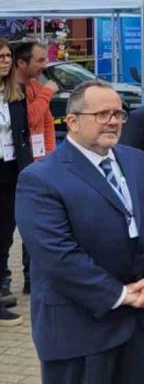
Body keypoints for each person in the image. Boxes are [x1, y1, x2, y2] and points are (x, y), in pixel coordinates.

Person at [15, 80, 144, 383]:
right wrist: (120, 294)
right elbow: (57, 255)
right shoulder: (40, 178)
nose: (114, 121)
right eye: (102, 114)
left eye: (119, 114)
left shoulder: (136, 160)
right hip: (79, 330)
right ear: (72, 122)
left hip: (139, 321)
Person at [7, 38, 57, 300]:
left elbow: (46, 124)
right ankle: (6, 281)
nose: (44, 65)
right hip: (15, 167)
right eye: (39, 60)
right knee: (9, 224)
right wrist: (49, 92)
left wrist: (49, 157)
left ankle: (32, 277)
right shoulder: (14, 90)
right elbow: (30, 119)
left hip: (38, 165)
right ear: (21, 62)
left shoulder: (36, 86)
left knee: (36, 224)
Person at [0, 38, 31, 323]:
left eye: (8, 56)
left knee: (6, 233)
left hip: (11, 170)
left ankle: (1, 289)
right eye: (1, 56)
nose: (6, 60)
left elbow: (23, 135)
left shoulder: (16, 92)